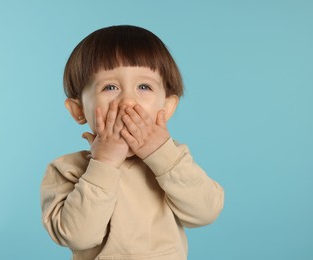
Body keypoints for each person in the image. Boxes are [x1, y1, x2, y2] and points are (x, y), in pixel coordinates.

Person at [40, 25, 224, 260]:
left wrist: (161, 154)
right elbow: (78, 236)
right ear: (78, 110)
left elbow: (205, 212)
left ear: (166, 108)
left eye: (144, 87)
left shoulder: (173, 159)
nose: (128, 101)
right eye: (110, 87)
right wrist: (104, 163)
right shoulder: (66, 169)